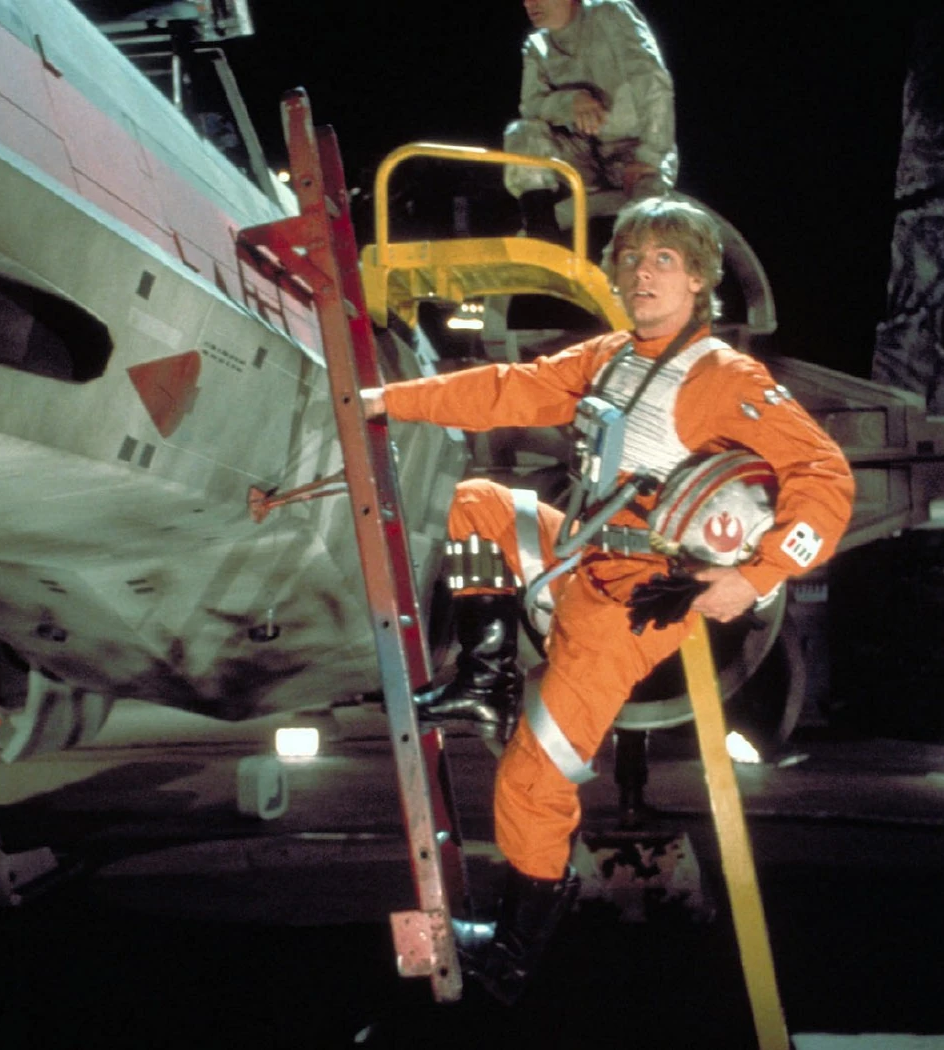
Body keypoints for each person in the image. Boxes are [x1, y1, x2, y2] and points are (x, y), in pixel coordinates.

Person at [361, 197, 854, 1002]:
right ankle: (485, 678)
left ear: (698, 280)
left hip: (635, 605)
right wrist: (391, 399)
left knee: (532, 778)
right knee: (479, 502)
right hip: (582, 554)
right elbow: (509, 390)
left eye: (664, 260)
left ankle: (513, 950)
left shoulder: (725, 378)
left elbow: (826, 477)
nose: (642, 274)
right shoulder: (612, 356)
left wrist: (758, 575)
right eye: (631, 258)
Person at [505, 0, 678, 238]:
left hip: (634, 152)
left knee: (648, 224)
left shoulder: (610, 13)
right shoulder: (536, 46)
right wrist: (570, 102)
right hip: (583, 154)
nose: (529, 3)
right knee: (521, 133)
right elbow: (531, 107)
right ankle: (540, 232)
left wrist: (650, 156)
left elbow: (652, 82)